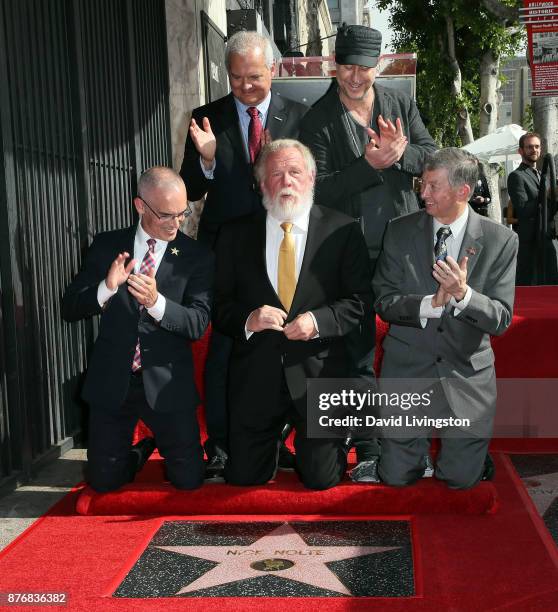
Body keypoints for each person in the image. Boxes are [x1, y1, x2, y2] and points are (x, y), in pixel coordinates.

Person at [299, 23, 437, 480]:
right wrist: (368, 165)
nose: (356, 78)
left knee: (415, 342)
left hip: (403, 244)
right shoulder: (317, 119)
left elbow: (430, 156)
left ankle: (419, 440)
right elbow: (316, 192)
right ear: (334, 66)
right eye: (348, 68)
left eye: (364, 69)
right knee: (356, 351)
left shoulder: (399, 103)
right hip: (348, 250)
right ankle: (369, 448)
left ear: (377, 66)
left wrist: (401, 157)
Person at [180, 31, 308, 478]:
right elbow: (191, 189)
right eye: (236, 79)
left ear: (272, 70)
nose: (246, 87)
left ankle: (274, 440)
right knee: (226, 347)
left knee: (279, 344)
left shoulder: (300, 115)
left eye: (254, 77)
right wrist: (210, 161)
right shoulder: (206, 118)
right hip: (228, 248)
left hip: (284, 246)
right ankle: (220, 442)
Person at [213, 139, 372, 490]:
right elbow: (219, 304)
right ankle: (274, 440)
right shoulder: (234, 235)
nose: (286, 181)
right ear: (261, 184)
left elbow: (360, 302)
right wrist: (248, 319)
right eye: (276, 173)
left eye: (295, 172)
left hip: (319, 374)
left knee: (321, 480)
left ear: (312, 178)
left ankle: (330, 438)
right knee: (242, 479)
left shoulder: (343, 230)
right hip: (256, 375)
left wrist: (318, 322)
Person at [373, 148, 518, 489]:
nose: (423, 193)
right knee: (395, 478)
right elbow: (383, 301)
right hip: (407, 369)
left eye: (433, 186)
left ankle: (469, 455)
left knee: (459, 480)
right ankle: (412, 451)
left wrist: (463, 296)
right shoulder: (398, 230)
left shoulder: (501, 240)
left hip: (466, 374)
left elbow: (501, 318)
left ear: (463, 191)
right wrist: (428, 304)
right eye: (421, 184)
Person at [62, 167, 213, 492]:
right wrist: (106, 287)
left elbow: (197, 323)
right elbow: (70, 307)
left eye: (182, 214)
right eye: (166, 215)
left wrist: (157, 302)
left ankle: (173, 448)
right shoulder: (107, 246)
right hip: (114, 381)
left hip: (166, 382)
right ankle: (138, 452)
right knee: (103, 483)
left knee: (189, 481)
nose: (176, 224)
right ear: (140, 205)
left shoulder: (195, 256)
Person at [507, 132, 558, 285]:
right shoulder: (516, 176)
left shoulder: (544, 176)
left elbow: (549, 210)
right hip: (530, 244)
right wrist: (546, 195)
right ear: (520, 151)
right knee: (531, 291)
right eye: (529, 147)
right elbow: (523, 210)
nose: (534, 150)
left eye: (537, 147)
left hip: (547, 239)